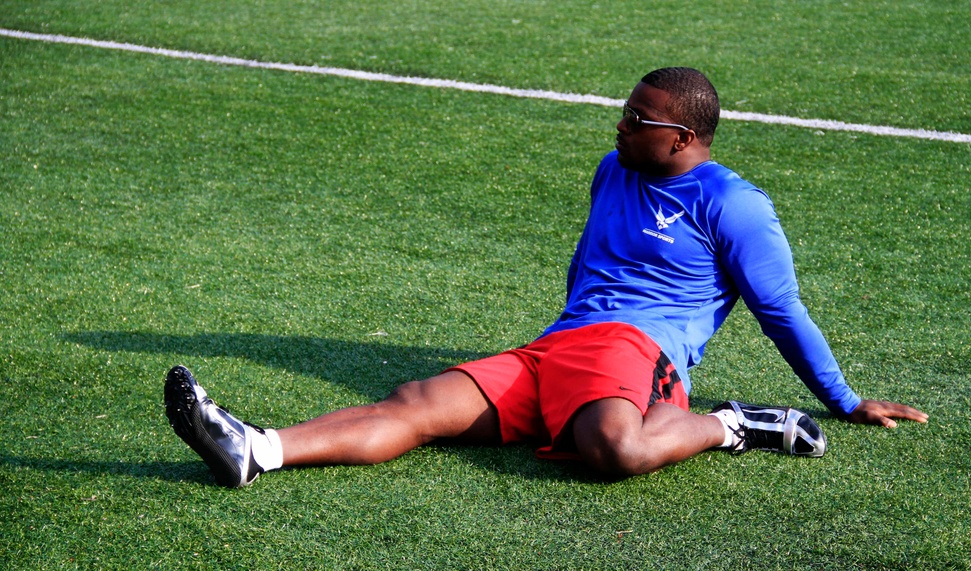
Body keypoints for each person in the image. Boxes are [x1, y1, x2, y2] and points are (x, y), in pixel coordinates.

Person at [164, 67, 928, 488]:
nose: (620, 126)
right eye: (625, 112)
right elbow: (585, 260)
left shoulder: (733, 204)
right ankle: (258, 447)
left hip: (636, 348)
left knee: (616, 451)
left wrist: (846, 399)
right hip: (561, 346)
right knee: (417, 405)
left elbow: (781, 309)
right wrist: (562, 331)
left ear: (683, 138)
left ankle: (735, 424)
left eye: (638, 119)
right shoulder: (613, 169)